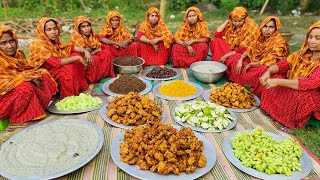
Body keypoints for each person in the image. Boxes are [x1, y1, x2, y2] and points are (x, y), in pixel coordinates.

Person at [260, 22, 320, 129]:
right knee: (271, 77)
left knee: (298, 96)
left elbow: (311, 83)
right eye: (310, 37)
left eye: (317, 38)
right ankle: (272, 110)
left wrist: (279, 82)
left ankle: (291, 120)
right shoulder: (301, 54)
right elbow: (282, 65)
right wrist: (268, 72)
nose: (312, 41)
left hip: (312, 94)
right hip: (292, 84)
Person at [0, 26, 58, 124]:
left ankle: (39, 108)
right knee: (25, 87)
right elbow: (3, 84)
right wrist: (24, 79)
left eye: (11, 41)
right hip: (3, 103)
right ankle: (17, 117)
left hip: (16, 92)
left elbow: (26, 70)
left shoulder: (19, 55)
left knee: (42, 74)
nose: (10, 46)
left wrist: (31, 77)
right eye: (3, 43)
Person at [28, 17, 92, 99]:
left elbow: (68, 47)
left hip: (54, 69)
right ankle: (67, 97)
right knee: (68, 68)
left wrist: (84, 51)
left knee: (75, 58)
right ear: (43, 31)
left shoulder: (54, 41)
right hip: (43, 73)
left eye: (55, 29)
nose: (53, 32)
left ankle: (76, 89)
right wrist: (77, 58)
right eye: (49, 30)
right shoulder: (38, 44)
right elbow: (55, 62)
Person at [224, 16, 289, 95]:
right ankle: (240, 82)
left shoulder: (279, 42)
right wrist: (240, 60)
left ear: (276, 29)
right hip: (255, 61)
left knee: (263, 70)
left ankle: (250, 86)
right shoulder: (260, 37)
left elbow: (270, 61)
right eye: (265, 26)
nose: (267, 29)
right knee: (235, 58)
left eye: (271, 27)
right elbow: (249, 50)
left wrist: (252, 64)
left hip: (266, 66)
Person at [69, 16, 115, 83]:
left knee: (106, 52)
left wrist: (93, 52)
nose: (87, 28)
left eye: (88, 26)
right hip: (82, 60)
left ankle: (102, 74)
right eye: (83, 27)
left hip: (92, 54)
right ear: (78, 28)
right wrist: (92, 51)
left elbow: (98, 47)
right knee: (94, 59)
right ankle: (91, 78)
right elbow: (83, 52)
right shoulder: (76, 36)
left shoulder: (92, 35)